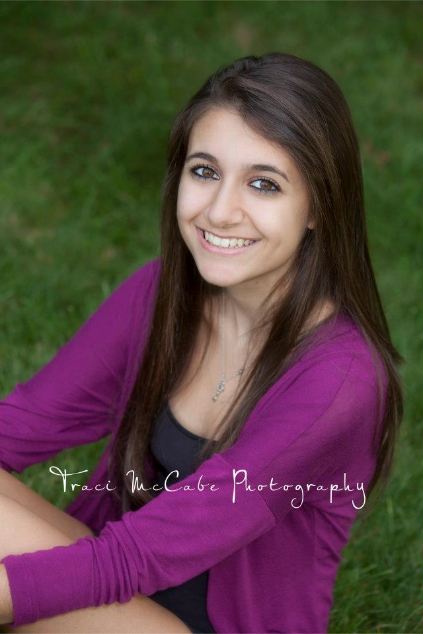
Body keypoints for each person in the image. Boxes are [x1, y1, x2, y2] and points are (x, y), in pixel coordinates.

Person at [0, 52, 404, 634]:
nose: (219, 211)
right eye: (205, 172)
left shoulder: (339, 382)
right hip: (114, 582)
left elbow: (134, 558)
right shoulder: (161, 295)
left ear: (319, 206)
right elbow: (20, 426)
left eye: (263, 184)